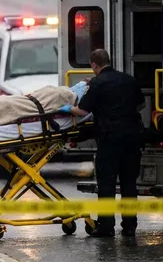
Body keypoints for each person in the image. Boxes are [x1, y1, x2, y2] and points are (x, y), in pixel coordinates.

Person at [59, 49, 144, 237]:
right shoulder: (128, 79)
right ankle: (130, 226)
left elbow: (82, 111)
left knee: (107, 183)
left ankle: (106, 227)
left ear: (94, 65)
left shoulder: (97, 84)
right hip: (132, 137)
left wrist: (68, 109)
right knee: (129, 182)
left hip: (110, 139)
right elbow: (141, 104)